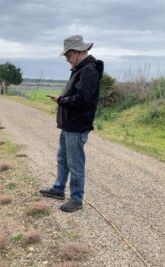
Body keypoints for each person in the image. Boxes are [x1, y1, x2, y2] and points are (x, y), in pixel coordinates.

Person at [39, 35, 103, 212]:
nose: (67, 60)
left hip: (77, 125)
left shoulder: (88, 70)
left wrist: (62, 100)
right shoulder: (79, 69)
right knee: (63, 159)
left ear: (76, 52)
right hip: (69, 124)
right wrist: (63, 100)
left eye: (68, 56)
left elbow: (83, 100)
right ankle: (58, 189)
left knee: (75, 163)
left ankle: (76, 198)